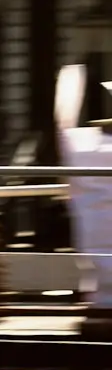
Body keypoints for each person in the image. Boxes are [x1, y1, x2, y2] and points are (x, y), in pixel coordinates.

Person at [55, 65, 112, 339]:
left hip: (97, 284)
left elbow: (62, 125)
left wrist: (70, 80)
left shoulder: (82, 149)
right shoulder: (85, 150)